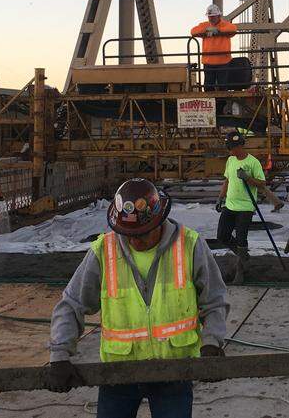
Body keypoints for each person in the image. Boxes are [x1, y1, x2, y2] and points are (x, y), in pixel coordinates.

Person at [46, 179, 229, 417]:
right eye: (126, 233)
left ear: (158, 222)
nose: (133, 240)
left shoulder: (190, 245)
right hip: (117, 375)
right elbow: (71, 305)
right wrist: (59, 354)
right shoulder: (104, 250)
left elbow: (214, 300)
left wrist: (212, 343)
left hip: (174, 371)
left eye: (141, 234)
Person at [214, 131, 267, 265]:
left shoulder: (252, 162)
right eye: (229, 147)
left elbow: (262, 183)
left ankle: (241, 267)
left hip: (246, 206)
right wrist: (220, 197)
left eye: (232, 147)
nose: (230, 150)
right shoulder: (230, 160)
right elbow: (227, 181)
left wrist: (248, 178)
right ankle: (243, 255)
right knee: (222, 235)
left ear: (240, 146)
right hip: (230, 205)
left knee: (241, 239)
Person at [189, 4, 238, 91]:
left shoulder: (225, 25)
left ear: (218, 16)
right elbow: (193, 31)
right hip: (209, 62)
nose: (211, 18)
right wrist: (207, 30)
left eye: (213, 16)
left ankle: (222, 104)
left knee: (223, 86)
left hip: (222, 61)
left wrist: (218, 31)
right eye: (209, 16)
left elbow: (233, 29)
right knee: (208, 86)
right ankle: (212, 103)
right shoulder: (205, 25)